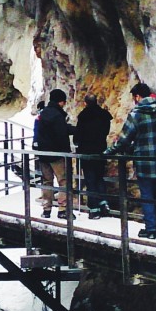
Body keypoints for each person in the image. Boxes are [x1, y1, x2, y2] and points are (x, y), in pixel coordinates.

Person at [105, 83, 156, 240]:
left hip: (144, 163)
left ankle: (151, 229)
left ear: (137, 97)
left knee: (147, 196)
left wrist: (108, 152)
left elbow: (123, 141)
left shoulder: (135, 115)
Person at [36, 88, 77, 219]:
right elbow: (62, 133)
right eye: (64, 102)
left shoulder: (42, 114)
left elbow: (37, 132)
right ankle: (63, 209)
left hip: (43, 154)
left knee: (47, 181)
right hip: (57, 154)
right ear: (60, 102)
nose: (64, 104)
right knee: (63, 181)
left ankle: (46, 209)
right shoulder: (58, 115)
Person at [74, 94, 113, 218]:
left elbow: (78, 136)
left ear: (85, 103)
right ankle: (103, 203)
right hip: (100, 150)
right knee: (99, 177)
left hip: (87, 152)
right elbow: (106, 131)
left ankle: (94, 209)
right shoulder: (103, 115)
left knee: (90, 180)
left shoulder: (83, 116)